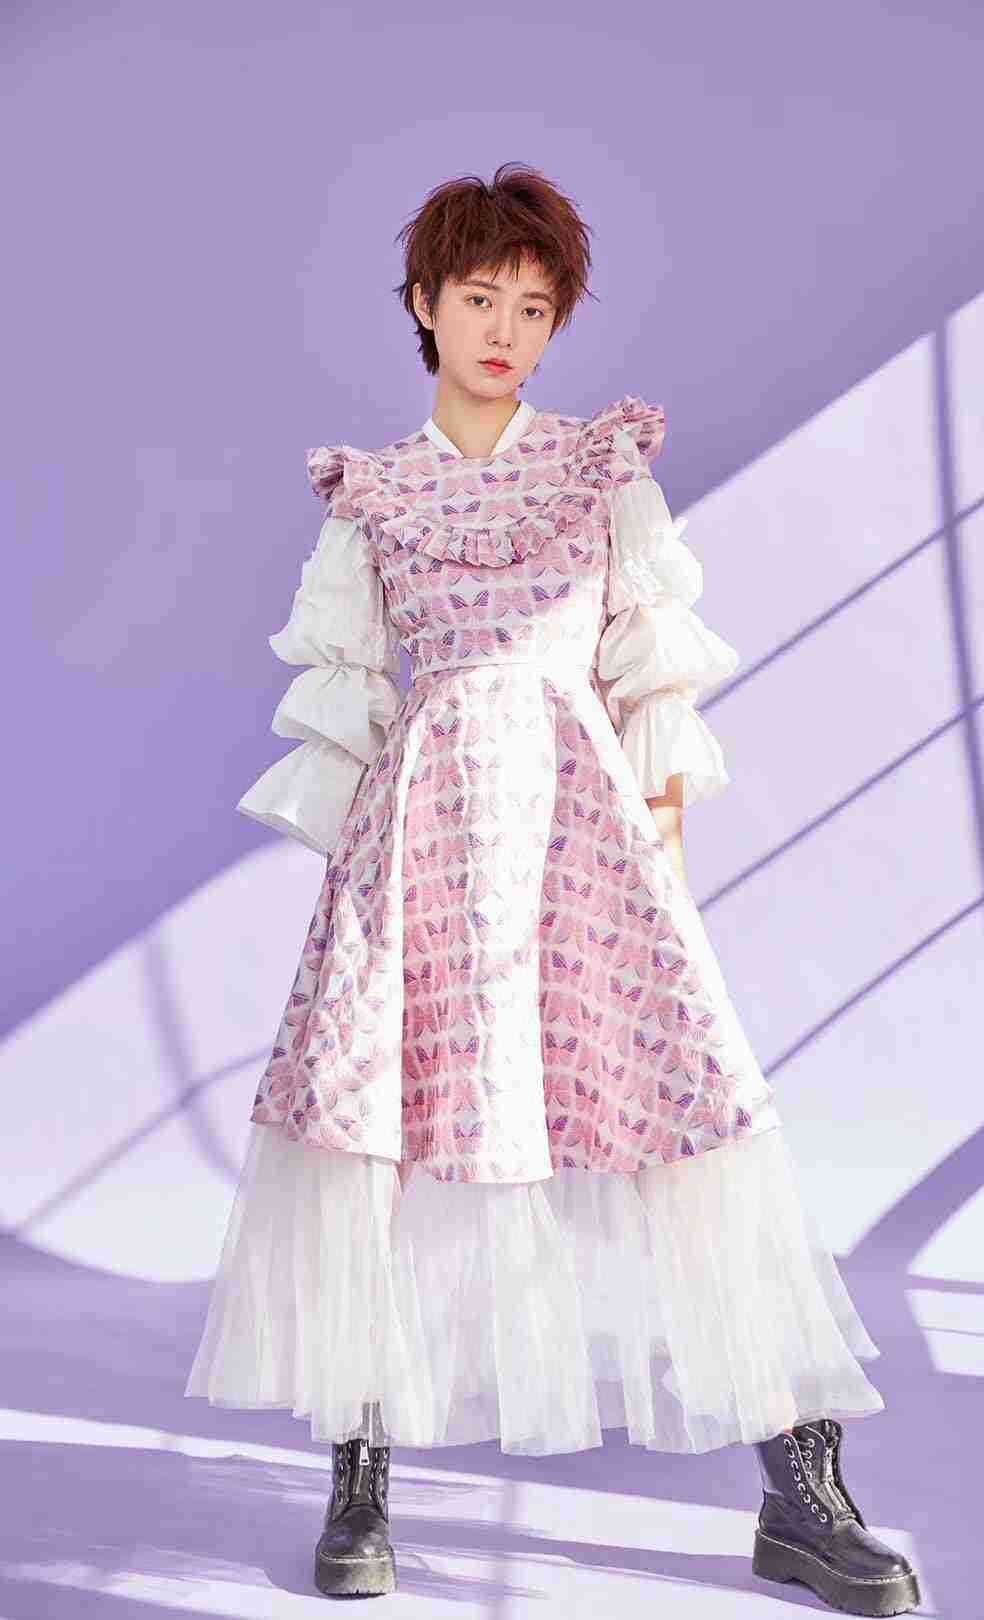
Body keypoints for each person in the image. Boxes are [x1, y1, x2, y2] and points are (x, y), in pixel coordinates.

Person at [184, 162, 921, 1615]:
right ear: (424, 304)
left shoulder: (600, 471)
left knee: (690, 1119)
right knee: (378, 1140)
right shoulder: (374, 496)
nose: (507, 332)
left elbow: (651, 682)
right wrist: (363, 912)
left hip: (586, 845)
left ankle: (802, 1487)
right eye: (481, 300)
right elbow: (349, 711)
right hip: (424, 854)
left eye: (535, 308)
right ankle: (361, 1473)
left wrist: (662, 880)